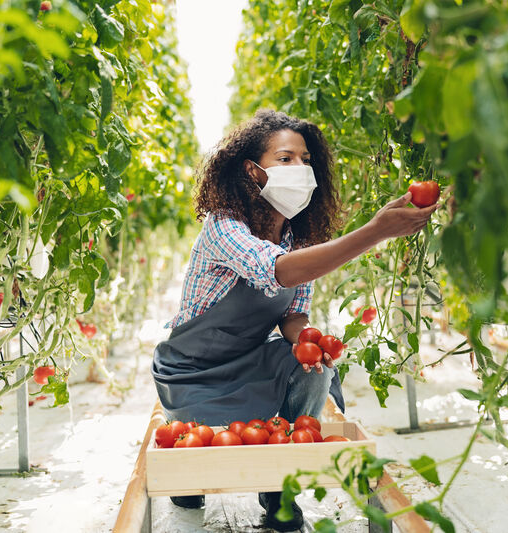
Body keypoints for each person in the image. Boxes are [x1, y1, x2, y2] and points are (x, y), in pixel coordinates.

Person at [152, 109, 437, 531]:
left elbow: (293, 314)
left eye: (305, 160)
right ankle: (191, 453)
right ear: (253, 171)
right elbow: (280, 270)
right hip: (193, 371)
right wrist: (376, 230)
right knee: (192, 475)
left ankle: (281, 485)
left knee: (315, 370)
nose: (300, 169)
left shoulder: (295, 240)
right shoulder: (224, 227)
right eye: (285, 159)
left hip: (248, 359)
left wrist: (308, 339)